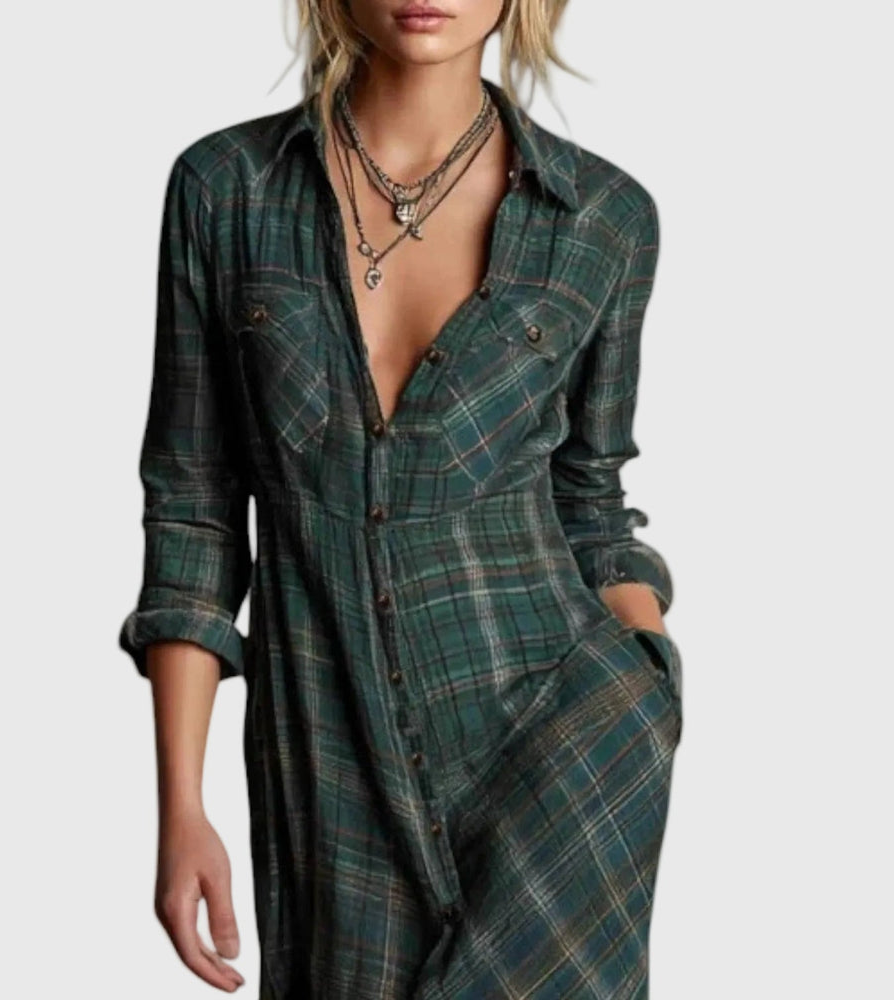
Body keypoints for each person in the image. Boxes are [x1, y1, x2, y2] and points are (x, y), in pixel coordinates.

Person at [117, 1, 684, 996]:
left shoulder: (602, 217)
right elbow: (193, 506)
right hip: (328, 758)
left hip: (566, 754)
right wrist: (181, 807)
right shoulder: (226, 189)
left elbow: (589, 499)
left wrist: (652, 680)